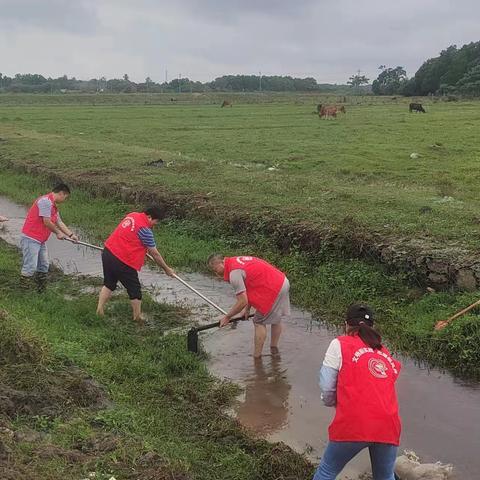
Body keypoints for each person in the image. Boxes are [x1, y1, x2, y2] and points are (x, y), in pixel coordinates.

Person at [313, 304, 402, 480]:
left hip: (354, 423)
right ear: (373, 327)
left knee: (327, 471)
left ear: (346, 324)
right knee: (385, 477)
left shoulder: (339, 343)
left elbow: (327, 386)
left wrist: (332, 402)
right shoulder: (383, 351)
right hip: (388, 425)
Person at [96, 206, 175, 322]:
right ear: (149, 217)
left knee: (109, 284)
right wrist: (167, 269)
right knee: (135, 291)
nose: (155, 224)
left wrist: (143, 252)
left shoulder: (132, 215)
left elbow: (130, 236)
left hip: (108, 252)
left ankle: (99, 310)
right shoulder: (145, 230)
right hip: (122, 261)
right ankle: (137, 318)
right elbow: (155, 254)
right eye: (156, 221)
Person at [207, 254, 290, 358]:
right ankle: (274, 350)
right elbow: (250, 285)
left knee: (258, 321)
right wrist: (247, 309)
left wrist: (228, 317)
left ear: (222, 262)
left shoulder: (234, 273)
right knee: (276, 319)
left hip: (274, 287)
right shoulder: (234, 261)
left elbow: (242, 301)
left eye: (215, 269)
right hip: (282, 281)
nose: (216, 273)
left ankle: (257, 358)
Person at [21, 183, 78, 291]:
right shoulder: (45, 202)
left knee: (43, 265)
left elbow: (59, 222)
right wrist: (57, 232)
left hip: (40, 240)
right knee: (30, 266)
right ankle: (24, 291)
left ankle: (41, 290)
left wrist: (71, 235)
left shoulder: (53, 206)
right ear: (61, 193)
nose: (65, 200)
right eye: (65, 197)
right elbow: (46, 222)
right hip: (31, 238)